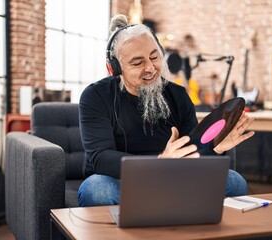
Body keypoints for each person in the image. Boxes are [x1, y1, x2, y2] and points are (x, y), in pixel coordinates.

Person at [77, 14, 255, 207]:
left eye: (155, 57)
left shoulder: (178, 94)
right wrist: (159, 162)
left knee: (234, 181)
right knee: (96, 189)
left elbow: (192, 149)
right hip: (125, 182)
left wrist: (216, 148)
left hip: (174, 179)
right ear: (114, 69)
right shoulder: (95, 96)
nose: (151, 67)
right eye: (137, 63)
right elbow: (100, 158)